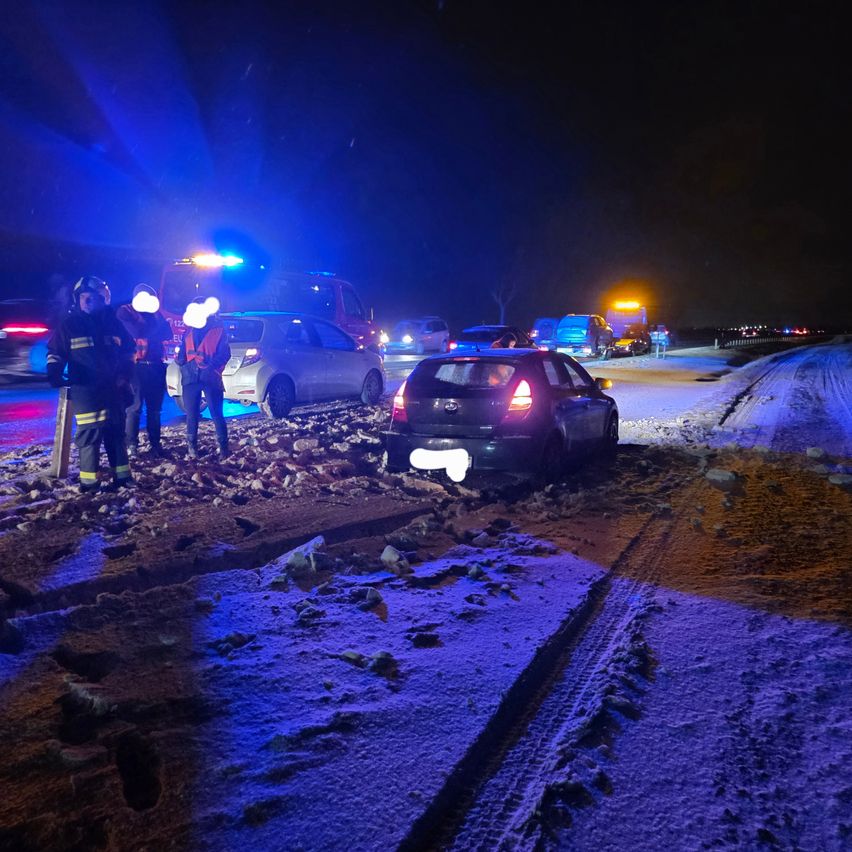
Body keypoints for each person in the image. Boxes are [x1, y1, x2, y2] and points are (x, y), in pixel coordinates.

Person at [46, 276, 136, 491]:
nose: (87, 301)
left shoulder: (113, 324)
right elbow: (56, 352)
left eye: (92, 297)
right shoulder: (69, 326)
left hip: (114, 388)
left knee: (116, 434)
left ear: (102, 298)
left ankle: (122, 477)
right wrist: (54, 371)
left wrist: (125, 377)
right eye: (83, 297)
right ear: (77, 299)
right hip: (86, 390)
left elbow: (129, 352)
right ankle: (89, 482)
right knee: (89, 436)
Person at [116, 283, 172, 457]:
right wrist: (152, 324)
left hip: (156, 366)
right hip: (136, 366)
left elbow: (168, 334)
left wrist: (153, 320)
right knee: (135, 407)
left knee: (155, 409)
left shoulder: (155, 314)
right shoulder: (124, 312)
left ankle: (155, 444)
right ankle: (132, 445)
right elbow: (137, 332)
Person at [175, 299, 231, 459]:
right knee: (192, 414)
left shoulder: (218, 330)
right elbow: (182, 353)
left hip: (209, 377)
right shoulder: (190, 329)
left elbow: (225, 354)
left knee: (216, 413)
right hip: (191, 377)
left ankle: (224, 449)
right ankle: (192, 449)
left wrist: (210, 366)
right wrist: (181, 361)